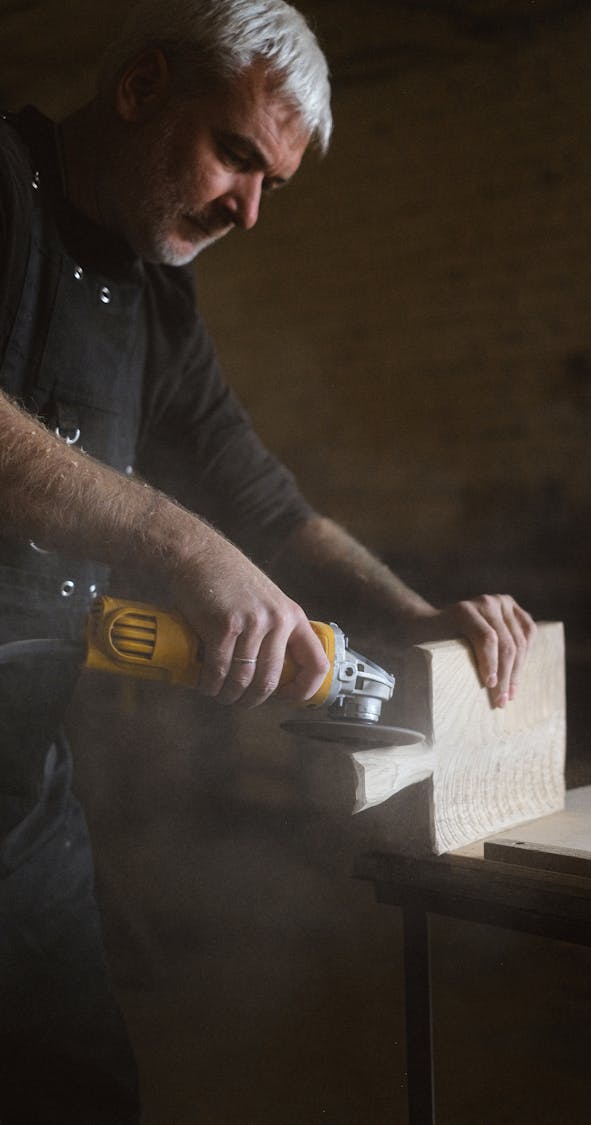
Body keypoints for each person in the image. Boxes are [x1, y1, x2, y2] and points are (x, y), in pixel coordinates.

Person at [0, 1, 536, 1120]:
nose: (247, 209)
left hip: (16, 791)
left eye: (271, 186)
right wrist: (183, 544)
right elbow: (200, 523)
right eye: (236, 155)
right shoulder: (4, 185)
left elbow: (259, 500)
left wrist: (412, 617)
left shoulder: (158, 296)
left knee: (81, 1091)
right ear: (142, 89)